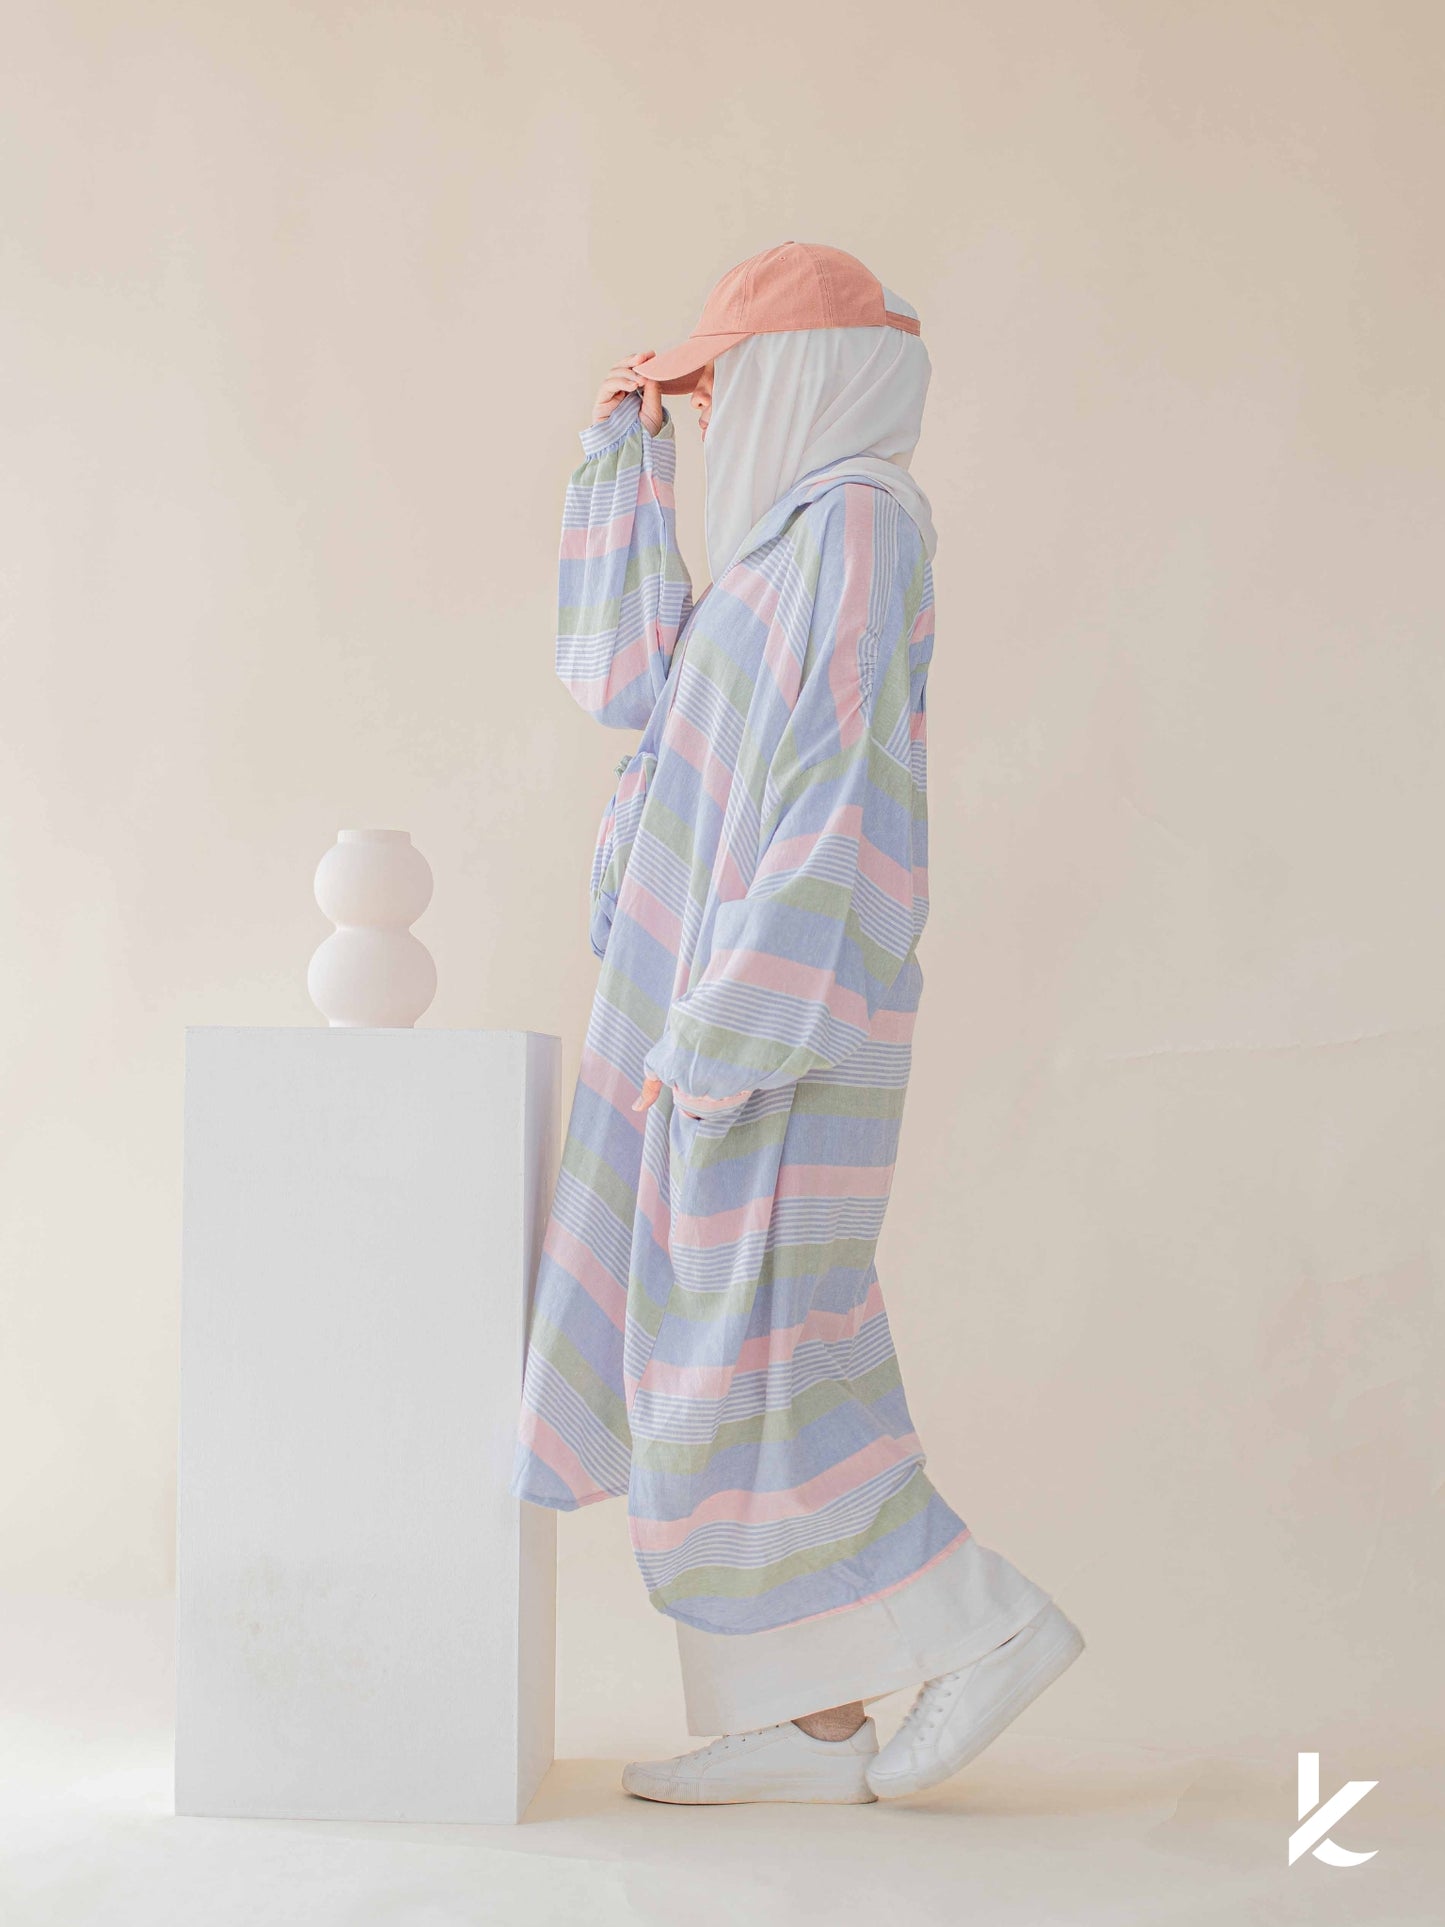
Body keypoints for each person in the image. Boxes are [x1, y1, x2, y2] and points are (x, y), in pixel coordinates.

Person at [512, 241, 1083, 1806]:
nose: (713, 416)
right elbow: (621, 678)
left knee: (759, 1356)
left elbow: (844, 791)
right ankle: (808, 1717)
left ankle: (983, 1624)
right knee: (712, 1361)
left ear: (806, 380)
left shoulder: (854, 528)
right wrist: (621, 459)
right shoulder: (781, 547)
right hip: (707, 1014)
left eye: (726, 385)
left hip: (771, 1018)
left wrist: (737, 1018)